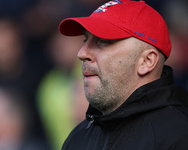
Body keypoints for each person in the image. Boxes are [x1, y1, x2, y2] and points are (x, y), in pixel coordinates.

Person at [58, 0, 188, 149]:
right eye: (85, 40)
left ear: (147, 61)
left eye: (103, 41)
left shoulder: (179, 135)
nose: (81, 53)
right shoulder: (78, 138)